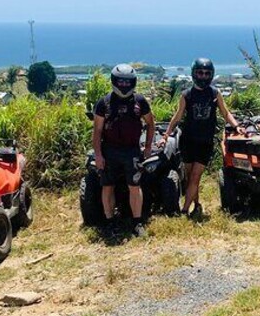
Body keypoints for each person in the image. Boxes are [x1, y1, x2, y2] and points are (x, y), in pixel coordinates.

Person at [160, 58, 240, 218]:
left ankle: (184, 210)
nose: (203, 76)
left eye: (207, 73)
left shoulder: (215, 94)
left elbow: (225, 113)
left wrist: (237, 126)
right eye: (200, 73)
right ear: (194, 73)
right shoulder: (186, 95)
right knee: (190, 177)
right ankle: (196, 205)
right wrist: (166, 134)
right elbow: (177, 117)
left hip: (205, 142)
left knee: (196, 176)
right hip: (188, 141)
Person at [92, 63, 155, 237]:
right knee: (107, 186)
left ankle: (137, 223)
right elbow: (97, 131)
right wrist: (98, 154)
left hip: (132, 151)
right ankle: (110, 222)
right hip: (109, 150)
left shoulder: (140, 101)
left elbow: (151, 123)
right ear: (114, 81)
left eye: (128, 82)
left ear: (133, 82)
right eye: (121, 82)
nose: (124, 85)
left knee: (135, 186)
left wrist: (148, 146)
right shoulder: (103, 103)